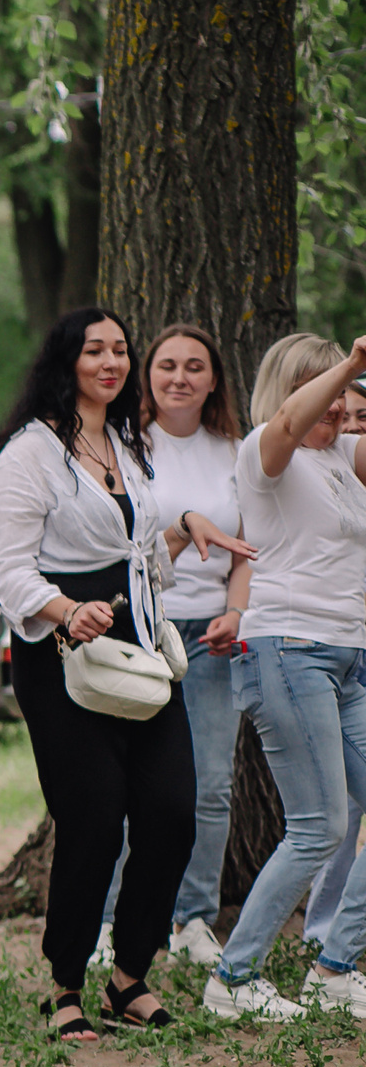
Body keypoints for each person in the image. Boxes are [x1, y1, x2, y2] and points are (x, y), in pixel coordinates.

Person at [0, 307, 247, 1036]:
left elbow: (137, 547)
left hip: (141, 650)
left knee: (170, 813)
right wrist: (66, 609)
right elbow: (7, 570)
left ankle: (130, 975)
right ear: (65, 362)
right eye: (94, 349)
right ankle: (66, 983)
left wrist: (184, 532)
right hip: (64, 654)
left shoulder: (126, 443)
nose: (110, 361)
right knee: (92, 819)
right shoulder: (28, 455)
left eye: (120, 349)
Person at [201, 332, 366, 1021]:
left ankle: (336, 966)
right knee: (318, 825)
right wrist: (352, 363)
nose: (341, 406)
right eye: (328, 388)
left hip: (348, 656)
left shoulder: (340, 459)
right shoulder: (265, 451)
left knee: (327, 821)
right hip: (288, 649)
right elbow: (292, 424)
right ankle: (233, 980)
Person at [137, 323, 248, 968]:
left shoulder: (235, 450)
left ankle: (194, 920)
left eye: (195, 367)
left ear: (214, 380)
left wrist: (237, 611)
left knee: (211, 783)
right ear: (149, 376)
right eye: (168, 365)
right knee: (125, 784)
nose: (179, 377)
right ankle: (110, 921)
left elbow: (251, 547)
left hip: (213, 638)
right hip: (142, 636)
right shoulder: (125, 446)